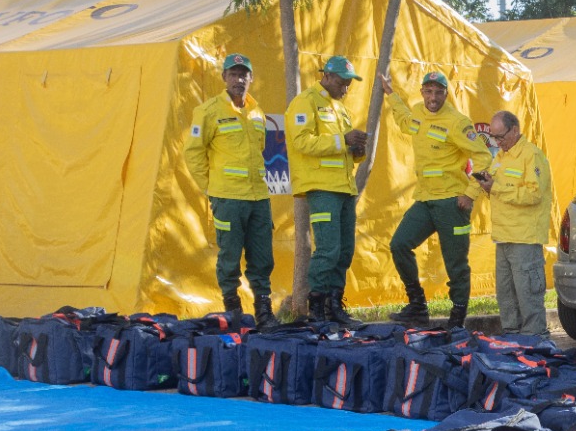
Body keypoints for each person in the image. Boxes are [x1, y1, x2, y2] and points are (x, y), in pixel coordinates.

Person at [379, 71, 494, 328]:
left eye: (438, 92)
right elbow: (406, 121)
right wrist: (390, 94)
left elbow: (484, 157)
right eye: (428, 91)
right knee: (399, 245)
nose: (433, 97)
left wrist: (470, 193)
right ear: (422, 92)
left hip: (452, 202)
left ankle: (457, 319)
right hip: (425, 200)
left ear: (446, 93)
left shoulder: (457, 122)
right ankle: (417, 306)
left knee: (456, 265)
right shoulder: (419, 112)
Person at [182, 53, 278, 330]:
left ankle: (264, 314)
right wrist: (211, 189)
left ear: (251, 78)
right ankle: (233, 313)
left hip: (259, 197)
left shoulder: (257, 111)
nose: (239, 79)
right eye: (233, 74)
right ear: (224, 78)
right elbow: (193, 153)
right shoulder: (209, 111)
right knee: (230, 258)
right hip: (228, 198)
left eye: (244, 74)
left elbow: (258, 151)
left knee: (263, 257)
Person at [285, 55, 367, 324]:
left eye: (349, 84)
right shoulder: (305, 102)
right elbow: (301, 142)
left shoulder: (341, 109)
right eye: (342, 82)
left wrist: (356, 150)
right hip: (321, 188)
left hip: (344, 188)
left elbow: (345, 152)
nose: (346, 89)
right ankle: (316, 309)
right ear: (327, 76)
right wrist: (342, 140)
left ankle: (335, 306)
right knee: (328, 249)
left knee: (344, 250)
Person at [472, 110, 553, 336]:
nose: (497, 142)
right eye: (493, 138)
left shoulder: (531, 155)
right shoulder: (500, 157)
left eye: (500, 137)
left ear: (515, 130)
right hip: (503, 236)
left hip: (524, 238)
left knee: (528, 296)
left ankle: (535, 341)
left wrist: (496, 188)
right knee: (506, 296)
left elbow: (534, 194)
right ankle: (511, 339)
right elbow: (502, 192)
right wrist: (487, 186)